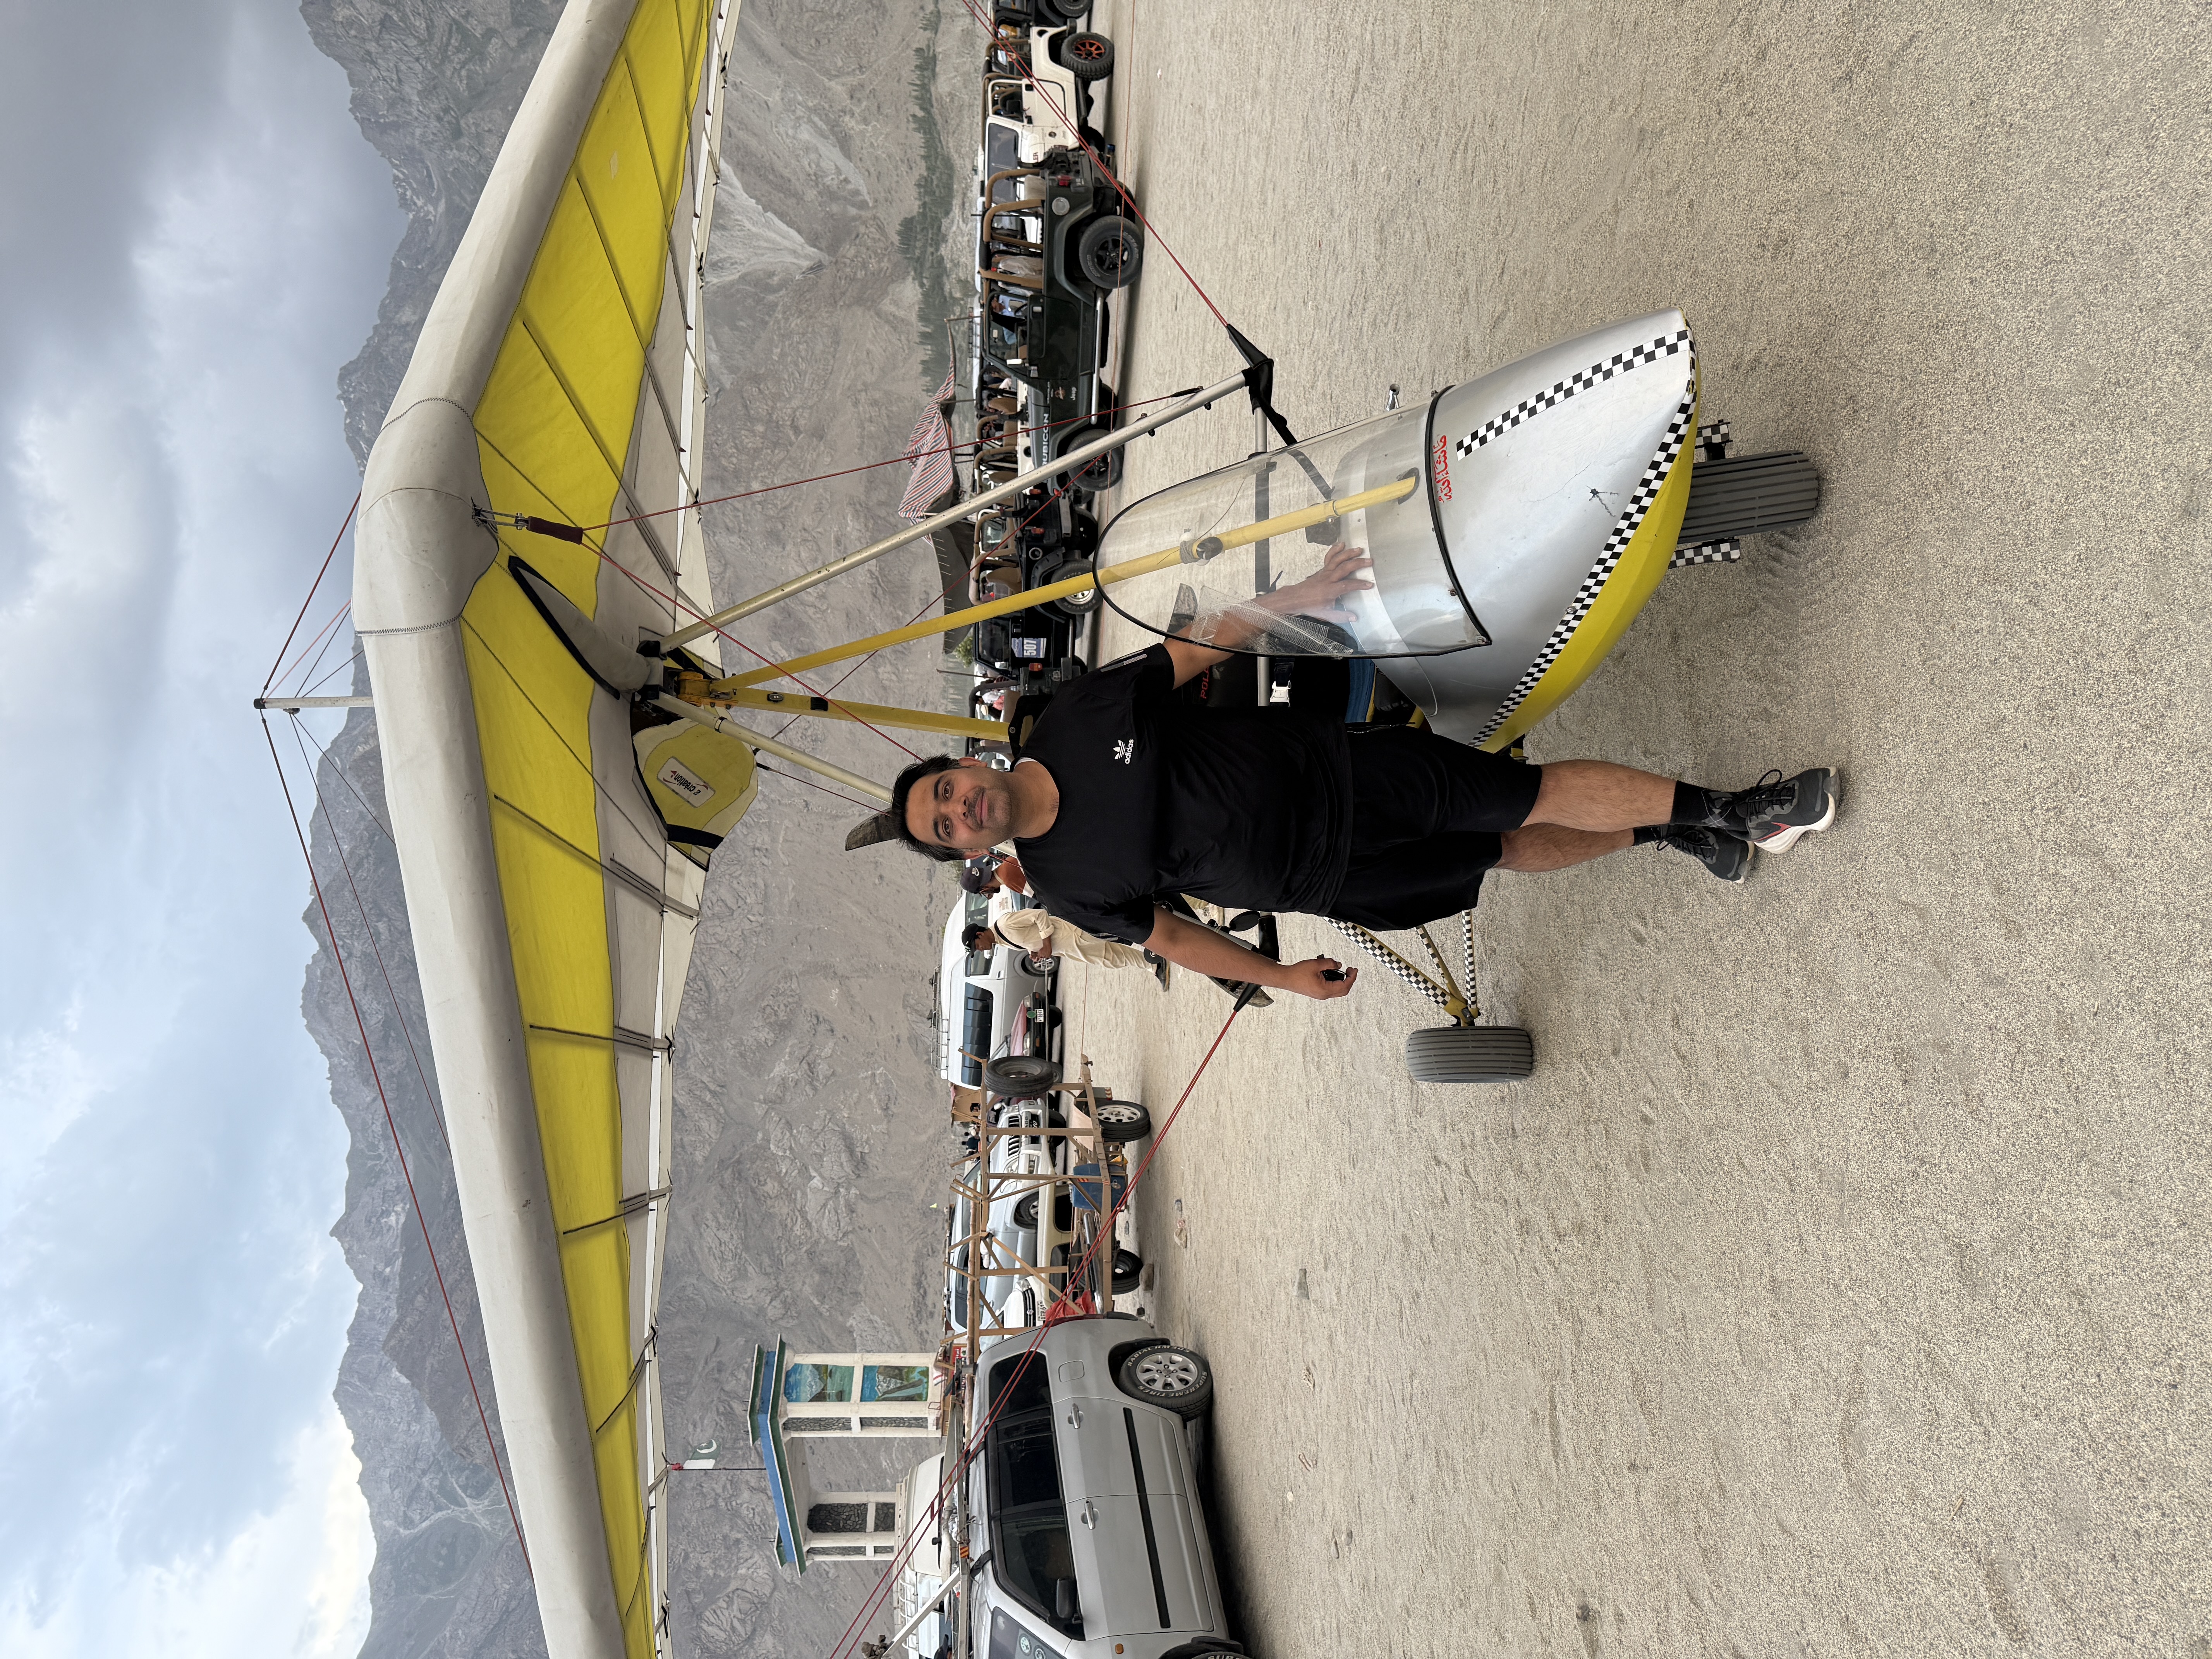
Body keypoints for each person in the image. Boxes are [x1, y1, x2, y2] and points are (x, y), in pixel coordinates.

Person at [893, 544, 1837, 1002]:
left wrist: (1298, 598)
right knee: (1499, 854)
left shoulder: (1071, 719)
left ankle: (1738, 808)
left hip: (1342, 776)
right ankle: (1670, 828)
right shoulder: (1063, 885)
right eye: (948, 828)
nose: (959, 809)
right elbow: (1175, 942)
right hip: (1329, 880)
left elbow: (1196, 648)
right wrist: (1281, 977)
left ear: (962, 767)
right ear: (969, 850)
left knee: (1527, 789)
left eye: (943, 792)